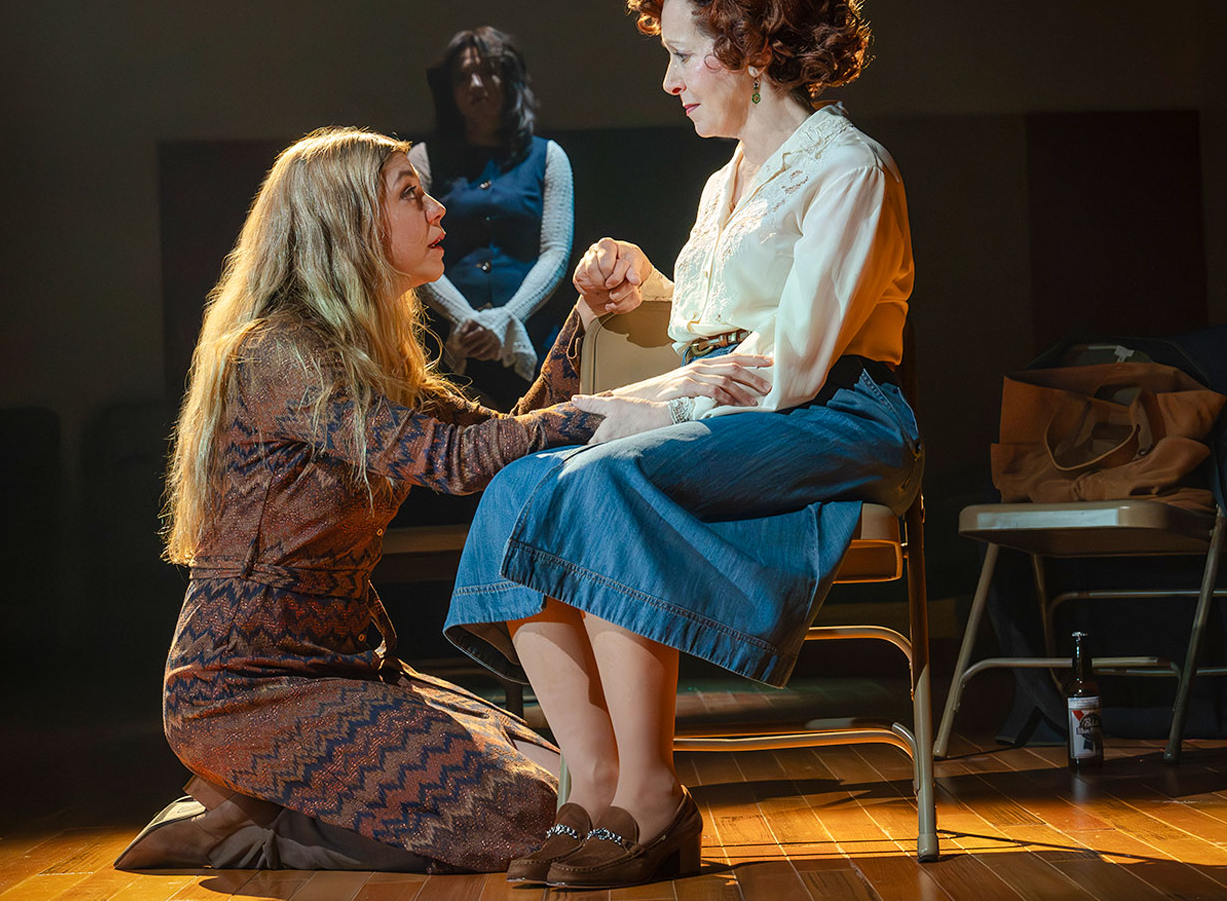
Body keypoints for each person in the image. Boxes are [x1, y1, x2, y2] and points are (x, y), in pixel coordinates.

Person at [113, 125, 772, 873]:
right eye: (411, 195)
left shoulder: (364, 355)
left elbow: (504, 435)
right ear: (349, 224)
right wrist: (629, 406)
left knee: (580, 785)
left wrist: (583, 323)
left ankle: (260, 790)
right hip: (246, 687)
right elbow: (456, 463)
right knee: (536, 819)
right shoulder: (279, 354)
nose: (438, 211)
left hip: (353, 668)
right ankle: (245, 818)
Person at [444, 0, 920, 890]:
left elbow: (790, 364)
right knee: (520, 480)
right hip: (732, 417)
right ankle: (596, 781)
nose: (670, 80)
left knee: (605, 477)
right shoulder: (719, 189)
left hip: (836, 417)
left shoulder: (847, 169)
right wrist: (653, 318)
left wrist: (642, 410)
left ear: (749, 46)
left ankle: (656, 794)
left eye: (682, 56)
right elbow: (714, 353)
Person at [412, 27, 573, 408]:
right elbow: (412, 248)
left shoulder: (549, 157)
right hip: (448, 342)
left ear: (510, 78)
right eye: (463, 77)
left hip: (531, 338)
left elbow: (555, 251)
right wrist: (465, 318)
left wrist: (504, 320)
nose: (476, 85)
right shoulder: (423, 159)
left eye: (488, 71)